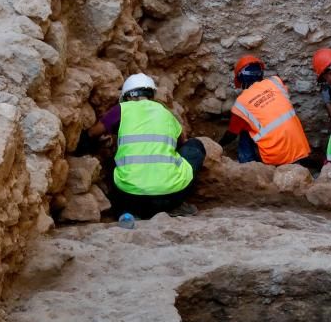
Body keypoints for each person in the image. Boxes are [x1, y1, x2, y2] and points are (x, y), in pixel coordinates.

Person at [82, 73, 205, 218]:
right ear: (151, 94)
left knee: (111, 160)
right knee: (195, 146)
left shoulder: (121, 109)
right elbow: (182, 142)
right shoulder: (166, 113)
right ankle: (176, 207)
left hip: (132, 198)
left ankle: (127, 212)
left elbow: (92, 133)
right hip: (171, 196)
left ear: (128, 96)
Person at [218, 55, 311, 165]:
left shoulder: (242, 103)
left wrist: (217, 146)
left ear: (241, 78)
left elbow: (231, 135)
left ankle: (248, 166)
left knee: (244, 128)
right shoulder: (275, 82)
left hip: (277, 158)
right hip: (300, 148)